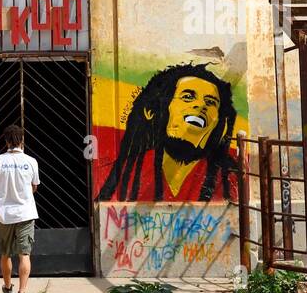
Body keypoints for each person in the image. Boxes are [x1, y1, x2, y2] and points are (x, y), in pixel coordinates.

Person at [98, 63, 239, 203]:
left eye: (210, 102)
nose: (200, 106)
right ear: (152, 111)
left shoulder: (228, 177)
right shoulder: (130, 170)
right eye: (188, 97)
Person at [0, 124, 39, 293]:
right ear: (21, 140)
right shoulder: (31, 161)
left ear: (6, 141)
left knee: (5, 253)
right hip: (26, 214)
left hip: (5, 215)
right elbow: (34, 186)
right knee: (24, 254)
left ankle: (7, 287)